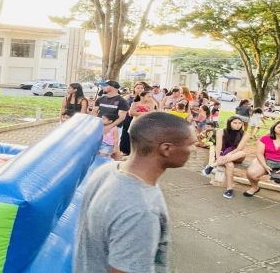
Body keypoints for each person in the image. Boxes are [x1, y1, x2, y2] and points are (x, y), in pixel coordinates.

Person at [73, 112, 196, 273]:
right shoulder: (140, 212)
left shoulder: (107, 170)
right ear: (166, 149)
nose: (194, 150)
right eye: (191, 144)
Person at [244, 120, 280, 211]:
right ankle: (254, 187)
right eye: (279, 127)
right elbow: (259, 154)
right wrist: (265, 166)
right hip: (267, 161)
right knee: (251, 173)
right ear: (274, 128)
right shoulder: (265, 138)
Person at [202, 116, 250, 199]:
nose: (238, 125)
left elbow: (239, 148)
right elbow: (218, 146)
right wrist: (218, 157)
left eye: (239, 123)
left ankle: (212, 165)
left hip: (236, 155)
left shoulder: (245, 134)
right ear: (229, 123)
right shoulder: (221, 131)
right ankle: (229, 189)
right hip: (223, 154)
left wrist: (230, 154)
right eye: (235, 123)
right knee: (229, 165)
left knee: (242, 153)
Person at [119, 83, 146, 155]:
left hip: (140, 118)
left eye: (141, 88)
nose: (140, 89)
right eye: (138, 88)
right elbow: (121, 103)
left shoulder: (146, 97)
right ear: (134, 89)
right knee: (126, 132)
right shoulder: (129, 96)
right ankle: (125, 150)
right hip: (128, 117)